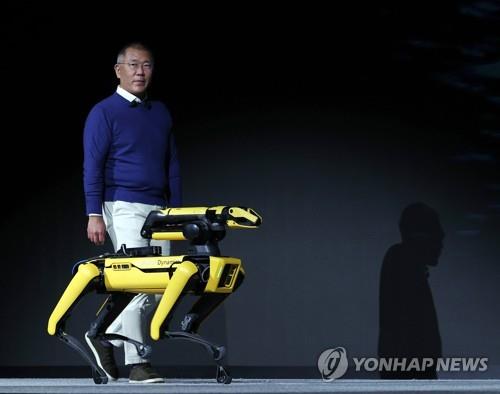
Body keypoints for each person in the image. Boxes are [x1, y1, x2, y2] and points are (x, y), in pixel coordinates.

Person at [83, 42, 181, 384]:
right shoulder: (104, 112)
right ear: (118, 70)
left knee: (159, 287)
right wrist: (93, 212)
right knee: (141, 282)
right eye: (134, 65)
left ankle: (103, 334)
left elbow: (172, 164)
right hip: (122, 204)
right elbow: (92, 165)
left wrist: (176, 212)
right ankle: (139, 362)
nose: (140, 71)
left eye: (148, 65)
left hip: (159, 208)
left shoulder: (160, 112)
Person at [378, 202, 444, 379]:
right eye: (437, 232)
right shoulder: (403, 262)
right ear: (421, 236)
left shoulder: (400, 260)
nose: (442, 239)